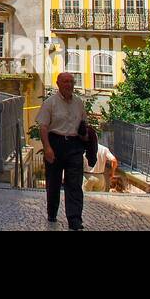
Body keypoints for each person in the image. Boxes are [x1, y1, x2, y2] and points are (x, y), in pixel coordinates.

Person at [37, 71, 88, 230]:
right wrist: (47, 148)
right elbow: (43, 127)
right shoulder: (50, 103)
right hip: (55, 143)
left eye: (71, 82)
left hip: (74, 146)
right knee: (53, 182)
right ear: (58, 84)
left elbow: (83, 124)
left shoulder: (79, 103)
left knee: (74, 184)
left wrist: (86, 137)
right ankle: (52, 212)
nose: (68, 85)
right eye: (65, 82)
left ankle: (74, 219)